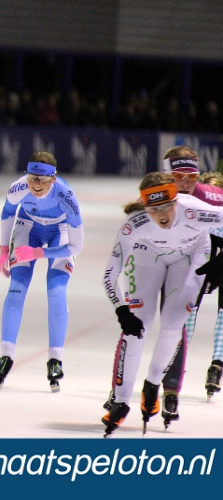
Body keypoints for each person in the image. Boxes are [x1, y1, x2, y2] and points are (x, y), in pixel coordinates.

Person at [101, 172, 223, 436]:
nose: (163, 214)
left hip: (190, 256)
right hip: (147, 256)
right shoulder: (134, 224)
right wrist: (121, 310)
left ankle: (152, 385)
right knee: (137, 329)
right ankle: (121, 402)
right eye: (155, 209)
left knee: (173, 325)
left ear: (177, 200)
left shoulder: (195, 211)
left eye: (168, 205)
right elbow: (110, 275)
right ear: (145, 207)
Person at [0, 152, 83, 392]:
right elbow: (8, 213)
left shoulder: (67, 196)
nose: (36, 184)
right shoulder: (18, 188)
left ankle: (55, 358)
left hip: (60, 231)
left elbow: (76, 246)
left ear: (53, 179)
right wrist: (4, 250)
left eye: (42, 180)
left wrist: (37, 254)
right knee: (16, 289)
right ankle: (6, 355)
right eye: (32, 178)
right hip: (28, 227)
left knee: (56, 291)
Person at [159, 147, 223, 419]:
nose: (186, 183)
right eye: (179, 176)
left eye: (191, 177)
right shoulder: (174, 195)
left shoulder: (206, 198)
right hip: (203, 255)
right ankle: (215, 365)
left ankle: (180, 370)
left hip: (211, 256)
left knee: (188, 314)